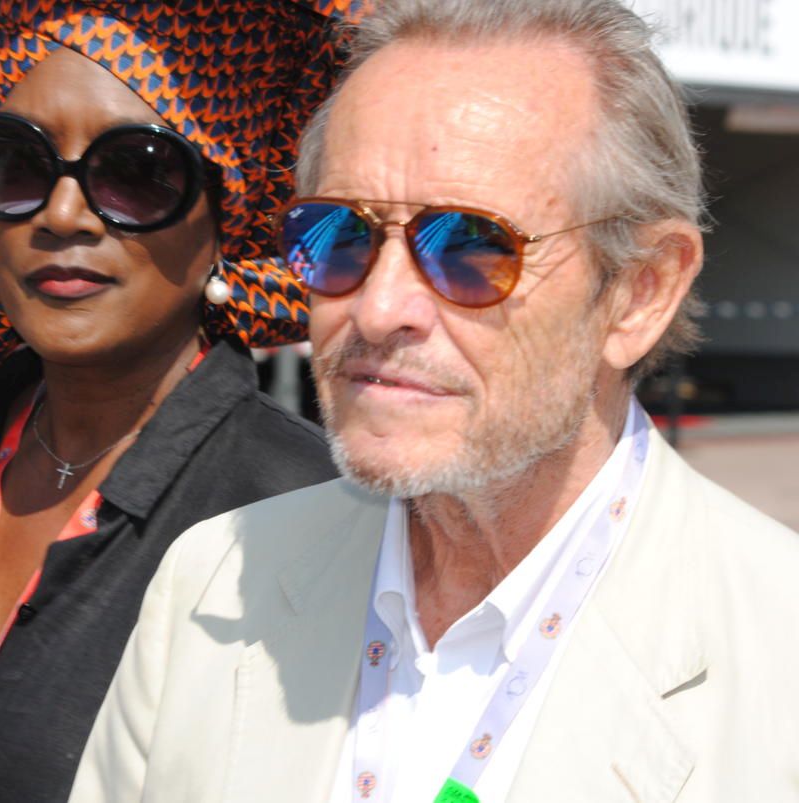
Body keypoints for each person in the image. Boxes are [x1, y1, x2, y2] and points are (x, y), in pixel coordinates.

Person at [70, 1, 799, 801]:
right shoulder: (211, 579)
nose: (379, 308)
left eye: (469, 247)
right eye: (338, 234)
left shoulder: (777, 659)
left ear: (639, 292)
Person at [0, 2, 357, 801]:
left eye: (135, 172)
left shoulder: (300, 507)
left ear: (227, 215)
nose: (62, 215)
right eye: (15, 165)